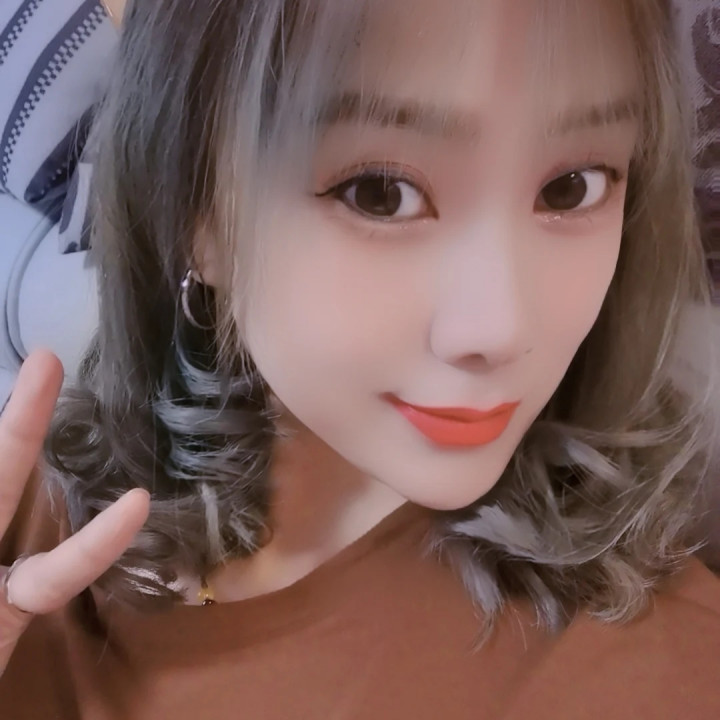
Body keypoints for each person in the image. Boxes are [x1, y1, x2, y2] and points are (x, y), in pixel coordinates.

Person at [1, 0, 720, 717]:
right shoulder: (29, 513)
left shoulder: (661, 674)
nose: (500, 329)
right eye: (381, 194)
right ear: (199, 214)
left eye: (573, 187)